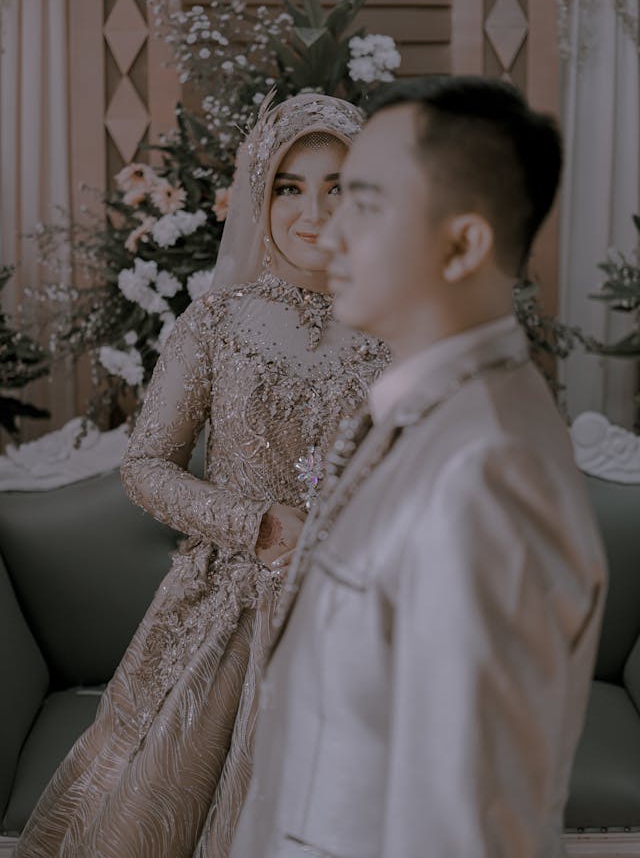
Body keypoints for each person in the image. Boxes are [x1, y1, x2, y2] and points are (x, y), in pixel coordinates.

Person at [230, 76, 608, 858]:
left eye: (363, 202)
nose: (326, 232)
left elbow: (464, 825)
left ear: (463, 244)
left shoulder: (487, 470)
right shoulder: (426, 408)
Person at [15, 93, 389, 858]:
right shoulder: (216, 323)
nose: (313, 212)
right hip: (226, 612)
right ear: (259, 195)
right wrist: (256, 525)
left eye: (339, 186)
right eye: (289, 187)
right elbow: (146, 467)